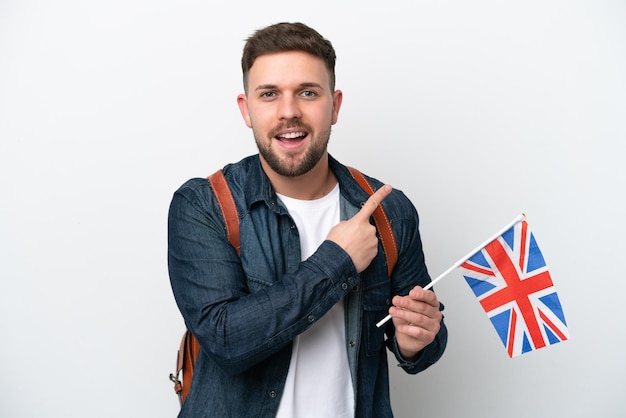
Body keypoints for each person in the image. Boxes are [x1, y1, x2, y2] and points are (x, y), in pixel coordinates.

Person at [168, 22, 447, 418]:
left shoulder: (389, 210)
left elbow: (422, 343)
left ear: (334, 105)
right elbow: (225, 340)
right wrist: (337, 259)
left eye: (307, 92)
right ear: (246, 110)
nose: (289, 112)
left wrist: (416, 340)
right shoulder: (204, 205)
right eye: (269, 95)